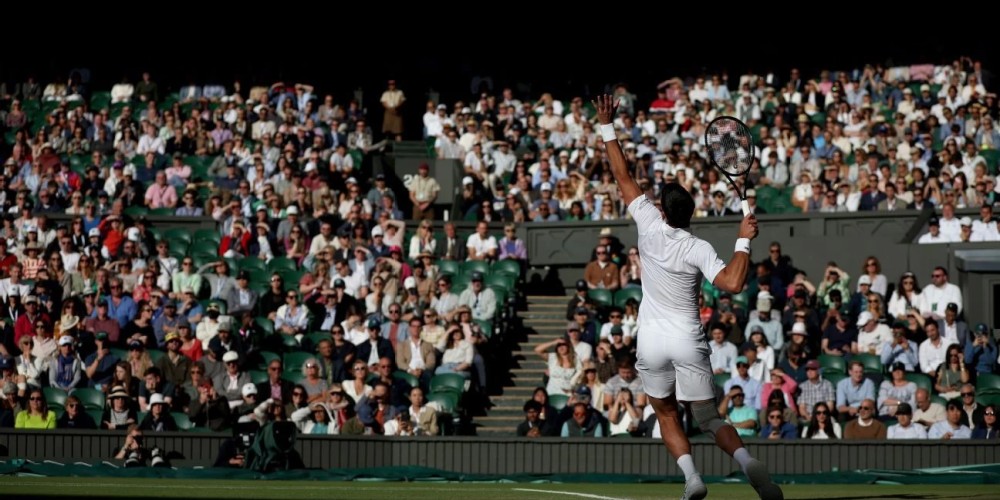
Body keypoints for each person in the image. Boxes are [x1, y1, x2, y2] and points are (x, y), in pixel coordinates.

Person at [594, 94, 780, 500]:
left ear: (661, 209)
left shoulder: (646, 222)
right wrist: (743, 241)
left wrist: (607, 125)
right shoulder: (697, 246)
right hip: (687, 339)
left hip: (651, 342)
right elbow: (732, 283)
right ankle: (748, 464)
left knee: (665, 412)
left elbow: (622, 174)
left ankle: (692, 479)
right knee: (708, 416)